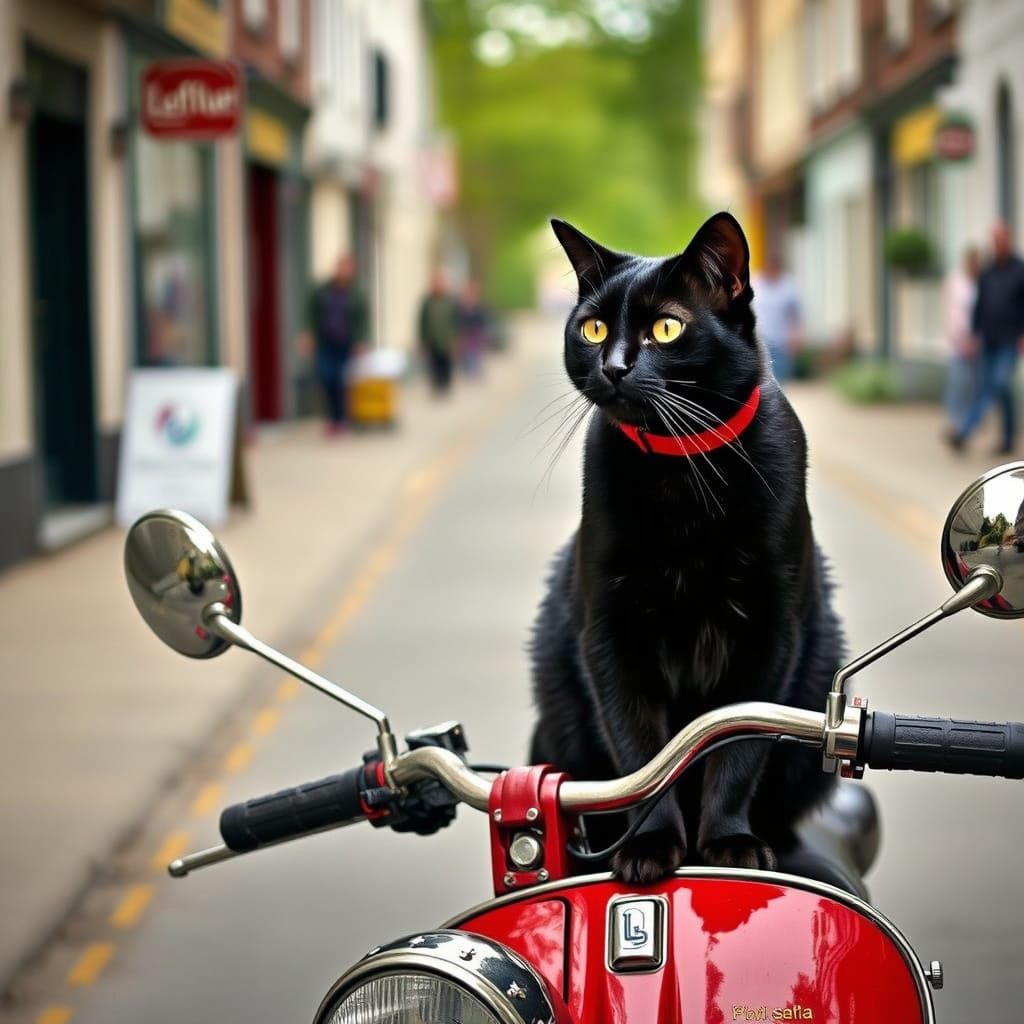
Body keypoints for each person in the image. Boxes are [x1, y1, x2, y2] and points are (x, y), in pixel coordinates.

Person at [951, 221, 1024, 454]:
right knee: (992, 388)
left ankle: (965, 432)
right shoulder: (988, 271)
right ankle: (1007, 438)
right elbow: (979, 305)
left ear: (1009, 240)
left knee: (1000, 383)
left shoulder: (1020, 270)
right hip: (988, 340)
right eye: (994, 239)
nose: (998, 243)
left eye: (1001, 238)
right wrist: (973, 333)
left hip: (1010, 340)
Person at [309, 254, 369, 435]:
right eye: (341, 267)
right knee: (326, 378)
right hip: (326, 342)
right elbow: (311, 312)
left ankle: (341, 420)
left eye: (347, 268)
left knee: (342, 382)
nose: (344, 271)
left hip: (346, 344)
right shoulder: (323, 290)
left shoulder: (357, 293)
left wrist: (361, 341)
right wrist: (307, 334)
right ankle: (332, 419)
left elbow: (364, 319)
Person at [942, 247, 982, 428]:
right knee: (958, 381)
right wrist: (956, 336)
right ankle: (954, 419)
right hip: (958, 341)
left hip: (977, 341)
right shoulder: (955, 282)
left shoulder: (982, 282)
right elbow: (950, 310)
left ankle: (969, 420)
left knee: (973, 384)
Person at [751, 252, 802, 383]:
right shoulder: (755, 284)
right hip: (759, 340)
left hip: (781, 342)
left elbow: (796, 314)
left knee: (780, 381)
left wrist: (796, 336)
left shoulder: (788, 286)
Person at [418, 269, 459, 395]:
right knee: (433, 365)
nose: (437, 285)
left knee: (446, 364)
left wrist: (455, 339)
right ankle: (436, 388)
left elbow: (456, 321)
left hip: (446, 339)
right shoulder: (427, 301)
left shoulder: (450, 301)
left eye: (440, 283)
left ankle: (445, 387)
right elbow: (421, 321)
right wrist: (421, 340)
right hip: (432, 339)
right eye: (435, 282)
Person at [458, 280, 489, 378]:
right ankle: (468, 375)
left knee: (476, 360)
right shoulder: (461, 308)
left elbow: (483, 322)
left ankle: (475, 375)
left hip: (476, 339)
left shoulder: (480, 307)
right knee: (466, 360)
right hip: (465, 338)